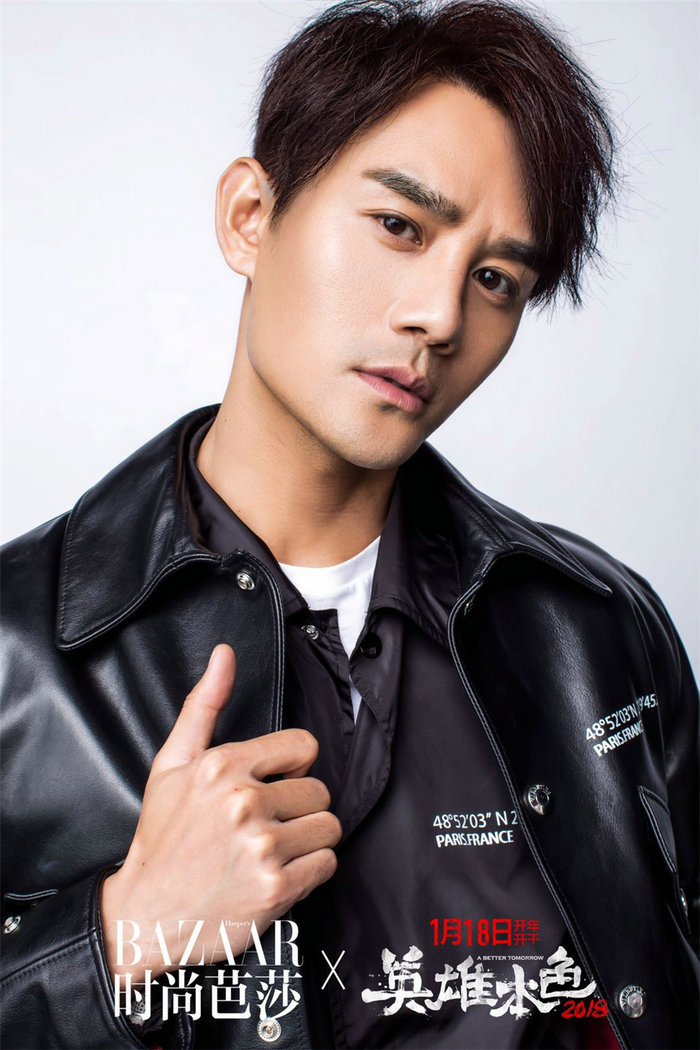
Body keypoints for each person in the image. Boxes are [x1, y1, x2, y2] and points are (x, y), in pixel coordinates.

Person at [1, 1, 697, 1048]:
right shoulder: (18, 651)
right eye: (400, 227)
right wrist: (122, 934)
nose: (440, 318)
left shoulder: (596, 627)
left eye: (496, 280)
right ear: (250, 215)